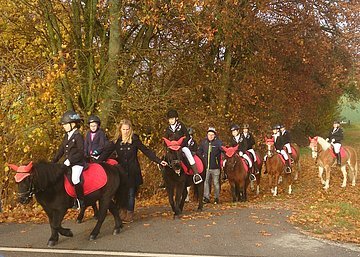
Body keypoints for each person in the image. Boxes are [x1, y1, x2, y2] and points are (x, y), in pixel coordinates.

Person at [111, 119, 167, 223]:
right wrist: (97, 161)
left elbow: (146, 151)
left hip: (133, 171)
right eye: (123, 129)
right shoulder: (117, 141)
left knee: (131, 193)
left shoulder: (134, 139)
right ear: (120, 129)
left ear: (130, 129)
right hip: (121, 171)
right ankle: (122, 211)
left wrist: (158, 161)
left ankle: (130, 213)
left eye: (127, 129)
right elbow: (107, 151)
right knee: (122, 192)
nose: (126, 131)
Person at [52, 110, 85, 209]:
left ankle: (80, 200)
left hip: (77, 163)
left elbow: (81, 152)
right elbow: (61, 149)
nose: (64, 126)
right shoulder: (67, 136)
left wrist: (70, 160)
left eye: (66, 124)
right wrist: (53, 161)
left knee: (75, 178)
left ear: (73, 124)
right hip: (67, 163)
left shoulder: (78, 136)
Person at [164, 109, 202, 184]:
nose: (171, 120)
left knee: (188, 153)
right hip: (172, 148)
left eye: (172, 119)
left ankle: (196, 174)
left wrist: (181, 145)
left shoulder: (181, 126)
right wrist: (167, 146)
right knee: (165, 157)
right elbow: (165, 139)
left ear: (176, 118)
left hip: (181, 146)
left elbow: (187, 136)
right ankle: (165, 177)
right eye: (169, 119)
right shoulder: (168, 129)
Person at [198, 127, 223, 204]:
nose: (210, 136)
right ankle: (206, 197)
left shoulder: (218, 143)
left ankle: (216, 198)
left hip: (215, 167)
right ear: (207, 135)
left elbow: (223, 151)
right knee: (206, 182)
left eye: (212, 135)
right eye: (209, 134)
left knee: (216, 183)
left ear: (215, 135)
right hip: (206, 167)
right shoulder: (204, 142)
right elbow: (199, 151)